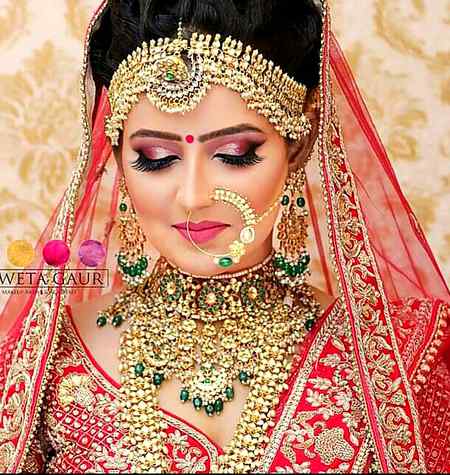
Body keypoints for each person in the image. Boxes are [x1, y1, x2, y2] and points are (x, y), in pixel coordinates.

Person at [0, 0, 449, 472]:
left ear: (298, 144)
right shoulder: (49, 364)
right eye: (156, 158)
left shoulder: (392, 366)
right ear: (116, 157)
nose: (194, 196)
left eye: (235, 153)